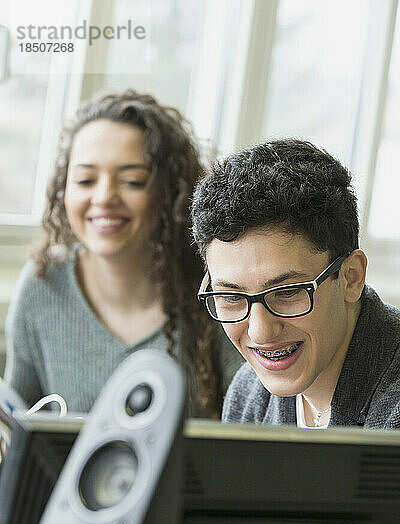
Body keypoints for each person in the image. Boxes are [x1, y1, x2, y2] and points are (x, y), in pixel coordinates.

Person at [5, 90, 242, 417]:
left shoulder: (218, 290)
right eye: (86, 179)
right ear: (64, 189)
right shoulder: (42, 284)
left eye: (132, 181)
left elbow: (251, 424)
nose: (103, 197)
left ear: (170, 192)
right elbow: (17, 425)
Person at [191, 139, 400, 428]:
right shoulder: (249, 394)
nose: (261, 333)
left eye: (288, 292)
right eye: (231, 297)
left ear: (351, 277)